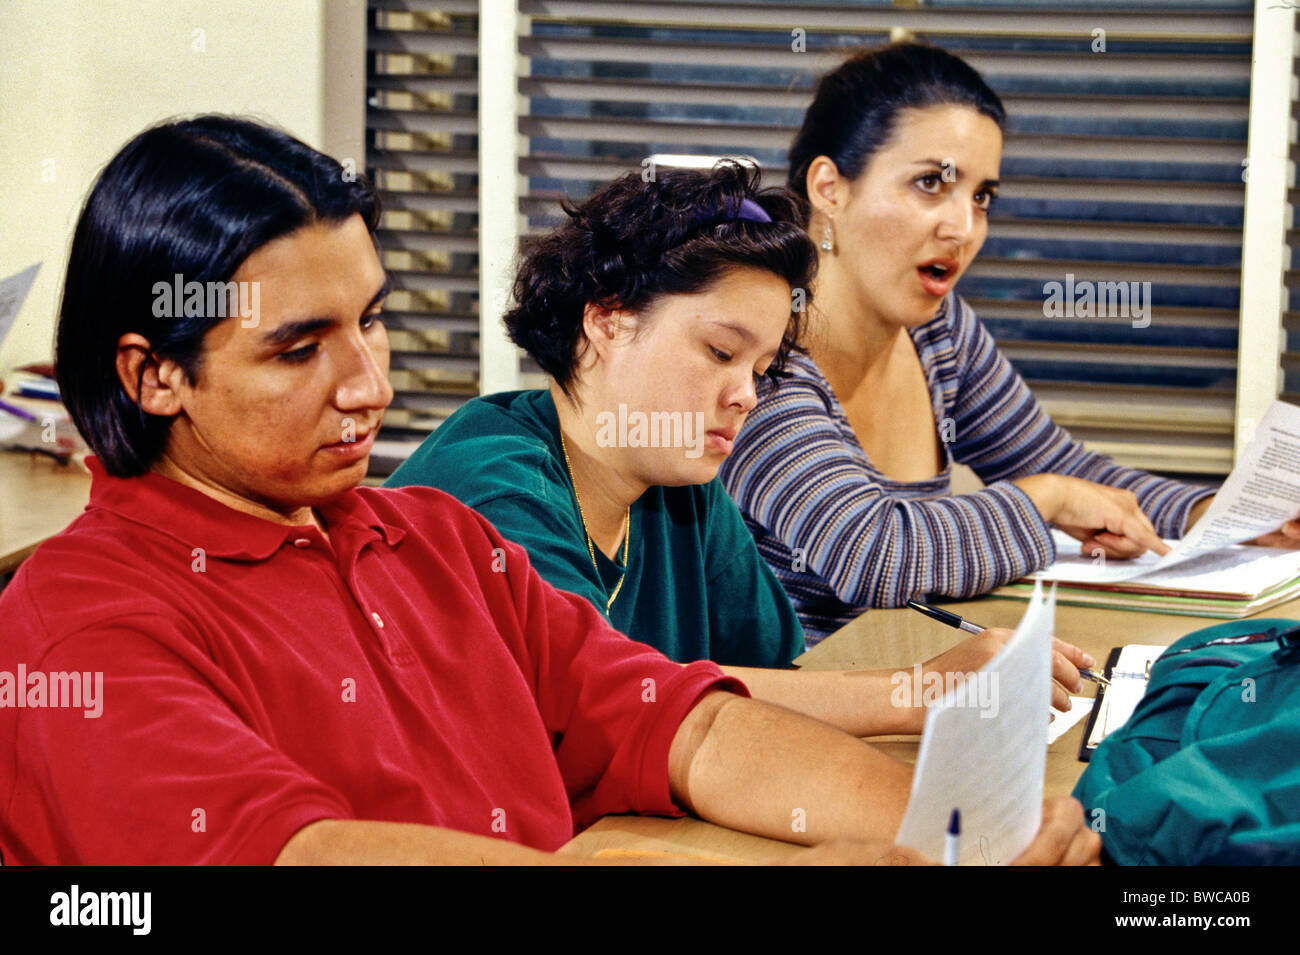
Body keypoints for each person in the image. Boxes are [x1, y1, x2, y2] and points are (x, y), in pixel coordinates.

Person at [0, 115, 1098, 865]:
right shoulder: (78, 628)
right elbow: (305, 854)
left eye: (373, 321)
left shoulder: (428, 540)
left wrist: (949, 827)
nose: (370, 385)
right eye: (299, 350)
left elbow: (687, 726)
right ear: (153, 376)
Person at [386, 162, 1091, 735]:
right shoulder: (490, 481)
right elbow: (604, 700)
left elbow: (777, 683)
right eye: (720, 351)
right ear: (605, 320)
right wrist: (919, 690)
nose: (747, 395)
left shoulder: (683, 491)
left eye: (759, 370)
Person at [719, 42, 1299, 644]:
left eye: (981, 197)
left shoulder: (939, 332)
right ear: (829, 188)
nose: (963, 228)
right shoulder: (757, 354)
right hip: (795, 709)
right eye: (928, 184)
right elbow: (873, 553)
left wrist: (1218, 516)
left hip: (912, 687)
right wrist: (1047, 500)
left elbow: (1061, 466)